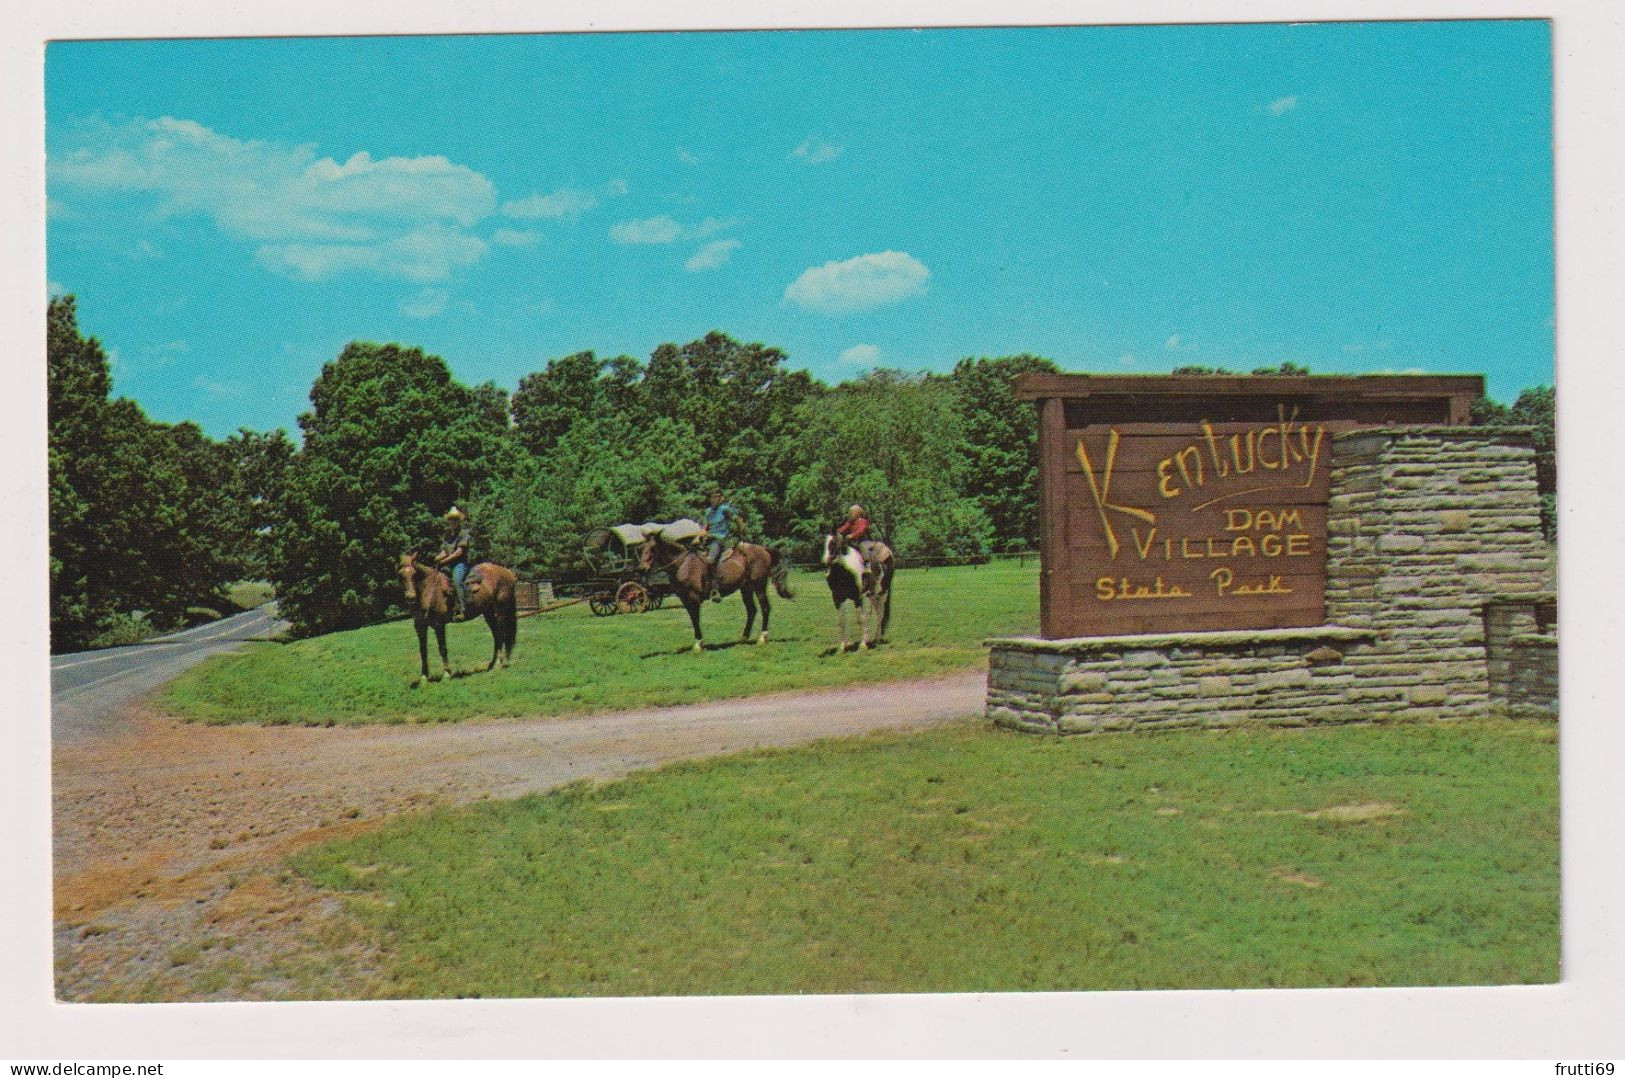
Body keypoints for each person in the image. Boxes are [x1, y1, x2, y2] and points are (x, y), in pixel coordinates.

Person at [701, 490, 742, 602]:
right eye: (712, 497)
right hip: (708, 540)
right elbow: (706, 527)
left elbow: (738, 521)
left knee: (710, 560)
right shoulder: (708, 511)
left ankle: (715, 589)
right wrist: (700, 535)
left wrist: (739, 535)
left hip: (720, 540)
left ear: (720, 498)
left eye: (717, 497)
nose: (714, 499)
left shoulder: (724, 509)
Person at [435, 506, 473, 619]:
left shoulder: (463, 533)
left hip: (460, 564)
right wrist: (436, 558)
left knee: (457, 581)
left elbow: (459, 552)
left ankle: (463, 609)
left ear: (458, 521)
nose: (453, 522)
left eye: (455, 519)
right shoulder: (447, 535)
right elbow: (444, 551)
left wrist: (444, 561)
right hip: (448, 564)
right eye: (451, 519)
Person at [836, 504, 874, 583]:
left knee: (862, 546)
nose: (849, 514)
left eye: (851, 513)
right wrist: (838, 532)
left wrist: (852, 535)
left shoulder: (863, 521)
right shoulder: (850, 522)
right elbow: (842, 529)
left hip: (863, 540)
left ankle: (867, 566)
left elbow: (861, 530)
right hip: (852, 542)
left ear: (857, 513)